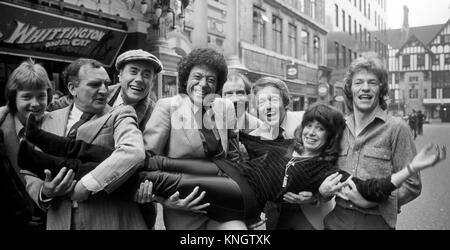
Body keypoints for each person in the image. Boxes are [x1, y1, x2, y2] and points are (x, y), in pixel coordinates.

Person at [17, 104, 447, 224]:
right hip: (229, 172)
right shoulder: (276, 145)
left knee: (154, 176)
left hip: (245, 199)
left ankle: (46, 159)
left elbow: (373, 189)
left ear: (330, 138)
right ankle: (38, 146)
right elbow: (232, 128)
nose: (313, 132)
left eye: (322, 130)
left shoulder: (325, 170)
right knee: (147, 158)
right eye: (310, 125)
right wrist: (204, 103)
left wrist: (413, 169)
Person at [22, 58, 147, 230]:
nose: (104, 90)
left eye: (106, 84)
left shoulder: (121, 115)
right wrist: (45, 192)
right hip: (60, 221)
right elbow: (30, 171)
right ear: (72, 88)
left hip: (111, 221)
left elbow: (133, 151)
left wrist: (86, 184)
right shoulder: (46, 120)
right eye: (95, 84)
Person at [142, 48, 247, 230]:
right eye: (197, 77)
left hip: (222, 199)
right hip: (184, 206)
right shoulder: (167, 107)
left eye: (211, 80)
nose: (203, 84)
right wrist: (165, 200)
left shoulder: (226, 107)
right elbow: (147, 160)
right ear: (186, 79)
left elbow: (233, 156)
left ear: (217, 85)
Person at [320, 56, 423, 230]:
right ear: (350, 89)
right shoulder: (337, 128)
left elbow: (412, 185)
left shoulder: (397, 129)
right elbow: (325, 175)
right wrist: (321, 193)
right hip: (335, 222)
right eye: (358, 82)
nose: (365, 88)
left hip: (375, 223)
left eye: (372, 83)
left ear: (381, 89)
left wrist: (374, 202)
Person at [248, 76, 331, 230]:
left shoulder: (308, 125)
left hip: (309, 214)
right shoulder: (254, 138)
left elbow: (329, 169)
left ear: (286, 102)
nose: (268, 106)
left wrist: (314, 197)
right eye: (261, 102)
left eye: (273, 100)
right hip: (273, 216)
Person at [0, 59, 53, 230]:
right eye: (27, 96)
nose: (35, 103)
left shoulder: (59, 124)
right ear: (13, 97)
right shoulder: (2, 127)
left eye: (41, 96)